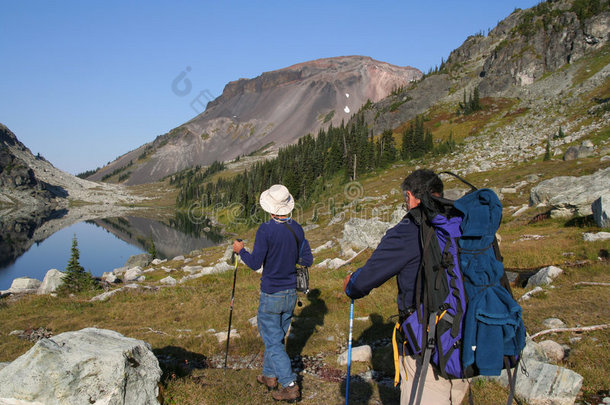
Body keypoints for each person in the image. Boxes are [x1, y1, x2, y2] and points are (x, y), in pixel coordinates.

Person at [343, 169, 469, 405]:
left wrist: (351, 285)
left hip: (428, 343)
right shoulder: (461, 221)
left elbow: (366, 279)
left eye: (405, 199)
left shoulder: (409, 229)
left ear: (411, 196)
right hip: (467, 333)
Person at [233, 184, 313, 402]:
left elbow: (255, 262)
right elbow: (307, 260)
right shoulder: (297, 229)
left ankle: (289, 384)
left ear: (270, 207)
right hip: (290, 294)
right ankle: (269, 376)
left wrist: (241, 252)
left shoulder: (266, 230)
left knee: (272, 341)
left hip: (271, 293)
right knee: (277, 338)